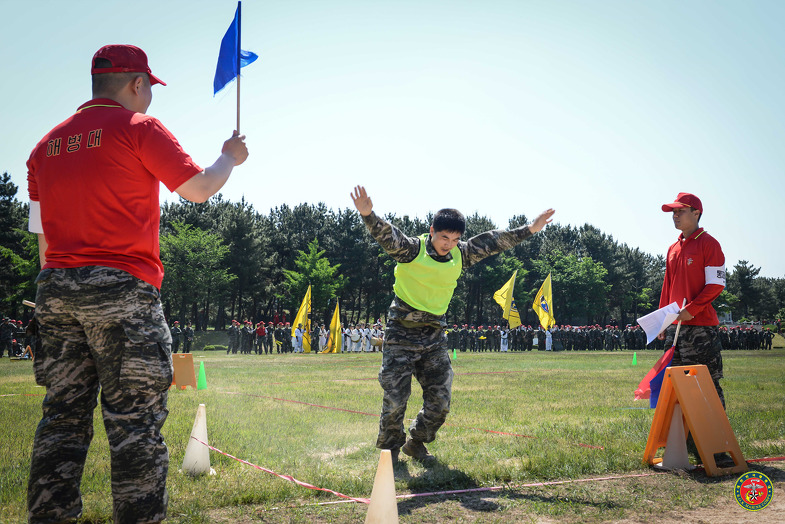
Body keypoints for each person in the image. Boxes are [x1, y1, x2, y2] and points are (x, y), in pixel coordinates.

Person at [26, 44, 248, 523]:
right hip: (121, 291)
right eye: (149, 88)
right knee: (134, 426)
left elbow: (44, 245)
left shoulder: (44, 147)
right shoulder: (139, 129)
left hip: (56, 291)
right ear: (137, 84)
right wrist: (229, 157)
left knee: (61, 420)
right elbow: (198, 189)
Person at [351, 185, 554, 463]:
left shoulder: (462, 253)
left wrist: (530, 228)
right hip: (400, 333)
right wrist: (368, 215)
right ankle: (391, 449)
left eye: (455, 239)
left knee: (441, 401)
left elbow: (495, 241)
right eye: (444, 237)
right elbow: (388, 236)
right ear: (432, 230)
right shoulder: (413, 249)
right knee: (396, 397)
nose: (448, 244)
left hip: (434, 335)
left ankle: (417, 442)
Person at [657, 193, 726, 405]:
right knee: (675, 384)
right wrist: (662, 320)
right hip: (675, 327)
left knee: (705, 384)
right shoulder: (673, 248)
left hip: (700, 328)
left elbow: (716, 284)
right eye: (673, 212)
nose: (675, 216)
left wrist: (692, 309)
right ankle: (683, 438)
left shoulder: (709, 244)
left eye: (681, 211)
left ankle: (714, 436)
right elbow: (667, 286)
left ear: (697, 213)